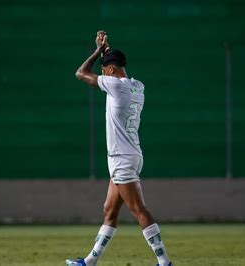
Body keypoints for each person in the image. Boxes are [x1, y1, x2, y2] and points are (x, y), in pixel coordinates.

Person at [66, 31, 172, 266]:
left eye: (105, 70)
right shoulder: (138, 86)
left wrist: (96, 52)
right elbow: (113, 74)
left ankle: (164, 262)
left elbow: (80, 73)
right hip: (130, 154)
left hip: (122, 157)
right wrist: (106, 52)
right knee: (109, 210)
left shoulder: (114, 85)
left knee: (138, 210)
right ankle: (90, 261)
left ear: (112, 70)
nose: (103, 75)